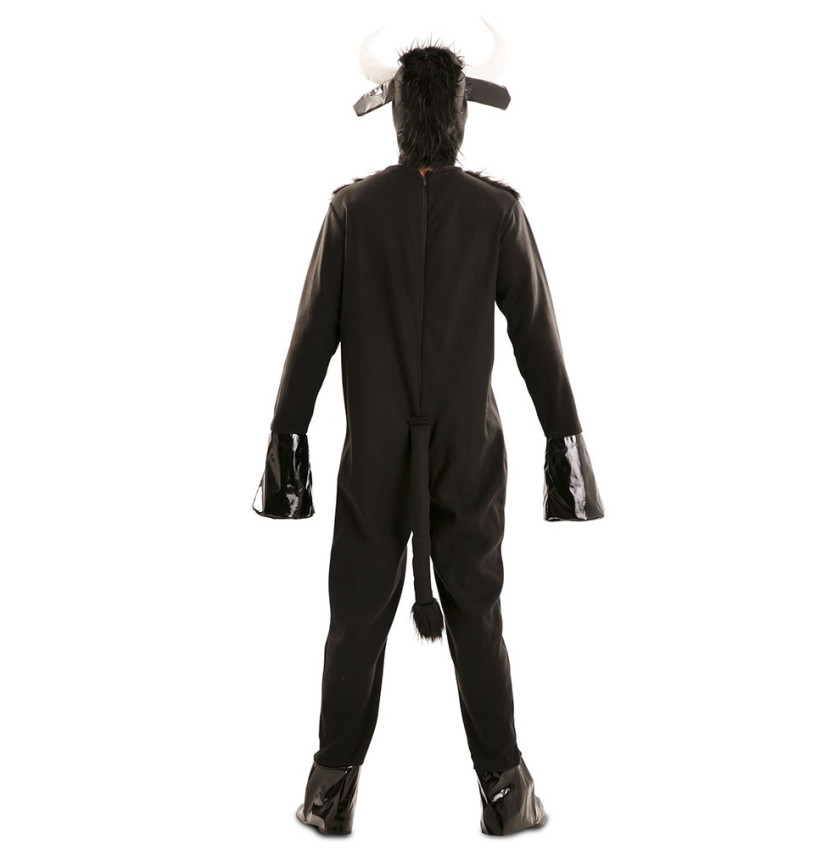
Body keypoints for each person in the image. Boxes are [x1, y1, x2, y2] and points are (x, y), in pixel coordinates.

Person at [253, 25, 604, 837]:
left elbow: (309, 338)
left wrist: (286, 454)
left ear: (397, 114)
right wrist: (567, 458)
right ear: (460, 114)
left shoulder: (351, 211)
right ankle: (506, 796)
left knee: (356, 616)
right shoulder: (497, 211)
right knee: (476, 612)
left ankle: (328, 796)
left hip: (374, 453)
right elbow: (538, 339)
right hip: (467, 452)